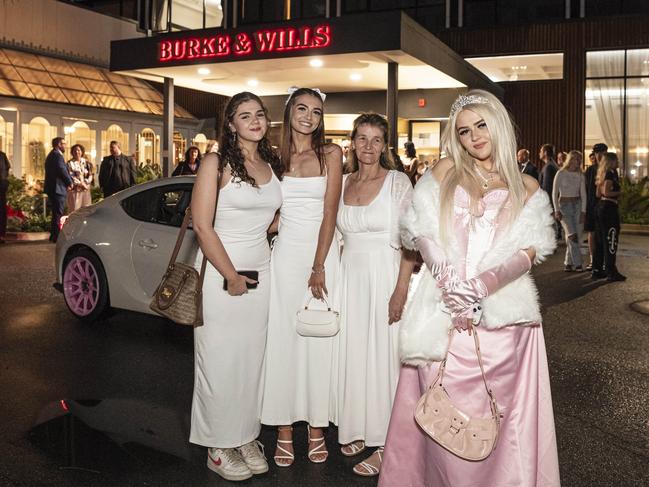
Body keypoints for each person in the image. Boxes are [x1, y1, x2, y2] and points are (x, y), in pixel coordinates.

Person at [379, 90, 560, 487]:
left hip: (500, 323)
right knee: (438, 421)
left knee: (495, 424)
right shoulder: (445, 170)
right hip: (440, 315)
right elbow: (417, 227)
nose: (474, 137)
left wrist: (480, 286)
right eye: (463, 131)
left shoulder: (527, 186)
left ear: (497, 124)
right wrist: (447, 280)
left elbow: (532, 249)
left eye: (481, 125)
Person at [189, 92, 283, 482]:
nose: (255, 121)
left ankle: (244, 437)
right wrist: (230, 275)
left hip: (262, 270)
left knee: (250, 363)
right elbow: (202, 225)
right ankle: (217, 445)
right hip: (221, 272)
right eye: (245, 116)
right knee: (219, 362)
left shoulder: (269, 162)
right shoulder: (216, 162)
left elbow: (269, 219)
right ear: (230, 125)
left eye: (259, 114)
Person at [261, 87, 343, 467]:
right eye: (302, 108)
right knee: (282, 342)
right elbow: (273, 212)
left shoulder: (331, 155)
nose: (309, 116)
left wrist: (319, 264)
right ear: (289, 110)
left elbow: (330, 213)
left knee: (318, 340)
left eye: (316, 111)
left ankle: (316, 427)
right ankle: (282, 428)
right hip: (284, 259)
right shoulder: (273, 158)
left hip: (319, 258)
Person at [336, 113, 415, 477]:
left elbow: (412, 242)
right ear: (352, 141)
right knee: (355, 354)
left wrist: (400, 290)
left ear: (385, 145)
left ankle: (388, 442)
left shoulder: (397, 182)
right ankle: (358, 427)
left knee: (385, 358)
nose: (368, 146)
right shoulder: (342, 181)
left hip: (386, 273)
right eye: (362, 138)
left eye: (376, 140)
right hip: (349, 277)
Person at [592, 152, 626, 282]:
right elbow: (606, 192)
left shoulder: (602, 173)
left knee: (600, 241)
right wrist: (620, 192)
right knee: (611, 240)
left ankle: (597, 269)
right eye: (616, 160)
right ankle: (611, 272)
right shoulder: (610, 173)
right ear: (611, 161)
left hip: (601, 208)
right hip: (609, 210)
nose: (618, 162)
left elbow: (598, 193)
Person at [553, 150, 586, 271]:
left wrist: (583, 211)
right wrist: (556, 210)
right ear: (570, 159)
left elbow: (583, 194)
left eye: (579, 160)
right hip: (564, 207)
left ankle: (568, 262)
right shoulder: (561, 173)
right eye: (575, 159)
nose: (577, 162)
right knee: (572, 236)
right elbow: (554, 193)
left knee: (575, 235)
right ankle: (578, 264)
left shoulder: (580, 175)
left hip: (577, 205)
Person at [44, 137, 73, 243]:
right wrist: (69, 182)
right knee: (58, 213)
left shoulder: (52, 155)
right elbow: (62, 170)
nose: (65, 145)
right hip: (57, 188)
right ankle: (57, 237)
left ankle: (54, 235)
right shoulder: (57, 155)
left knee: (56, 212)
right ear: (59, 144)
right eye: (64, 143)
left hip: (53, 188)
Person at [585, 143, 608, 271]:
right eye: (597, 153)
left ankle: (603, 260)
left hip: (604, 206)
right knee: (592, 233)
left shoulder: (608, 169)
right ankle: (593, 259)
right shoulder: (590, 170)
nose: (599, 156)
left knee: (603, 233)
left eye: (602, 153)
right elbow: (585, 189)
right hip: (591, 205)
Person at [539, 143, 561, 240]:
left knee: (550, 222)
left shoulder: (549, 167)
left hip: (549, 200)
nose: (539, 153)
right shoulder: (552, 165)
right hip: (552, 199)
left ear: (545, 153)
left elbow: (547, 187)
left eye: (541, 151)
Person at [66, 144, 93, 212]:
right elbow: (70, 176)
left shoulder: (87, 163)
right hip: (75, 190)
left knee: (86, 209)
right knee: (75, 210)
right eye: (75, 150)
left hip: (85, 190)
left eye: (78, 150)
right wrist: (81, 184)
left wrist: (86, 182)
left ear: (82, 151)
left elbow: (90, 175)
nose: (77, 152)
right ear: (72, 152)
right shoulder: (69, 164)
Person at [0, 150, 10, 243]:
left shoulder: (2, 155)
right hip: (2, 186)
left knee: (2, 211)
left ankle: (2, 235)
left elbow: (7, 168)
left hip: (1, 187)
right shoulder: (2, 155)